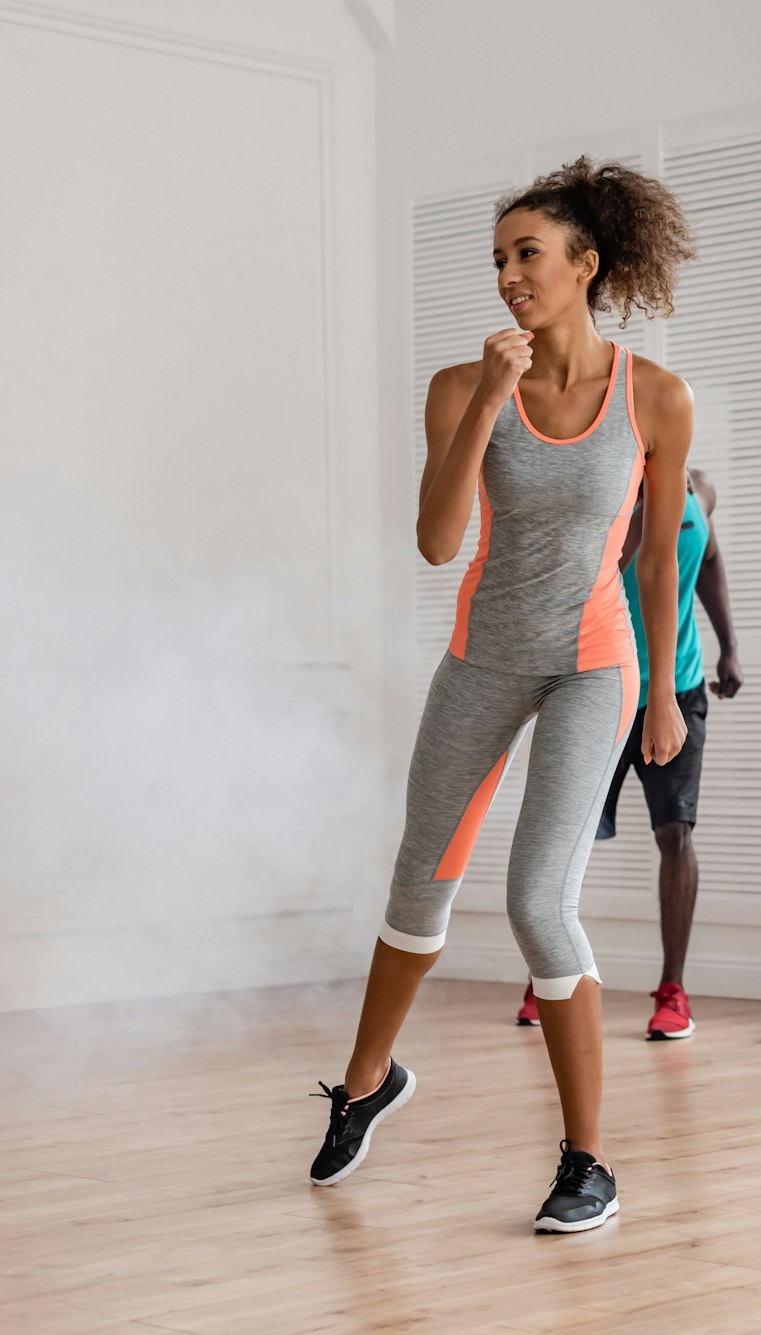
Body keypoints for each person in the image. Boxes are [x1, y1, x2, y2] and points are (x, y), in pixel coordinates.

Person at [308, 157, 696, 1232]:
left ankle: (587, 1163)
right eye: (497, 260)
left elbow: (658, 562)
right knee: (418, 885)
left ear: (586, 264)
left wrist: (662, 694)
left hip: (594, 666)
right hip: (483, 655)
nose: (508, 276)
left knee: (537, 901)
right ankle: (363, 1084)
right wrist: (487, 394)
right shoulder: (460, 387)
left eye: (528, 255)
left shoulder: (655, 397)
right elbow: (437, 545)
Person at [514, 466, 742, 1039]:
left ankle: (673, 991)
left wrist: (728, 647)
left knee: (676, 833)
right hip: (599, 684)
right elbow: (581, 586)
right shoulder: (597, 491)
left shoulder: (700, 491)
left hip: (679, 687)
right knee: (569, 834)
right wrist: (635, 521)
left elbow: (708, 560)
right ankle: (550, 974)